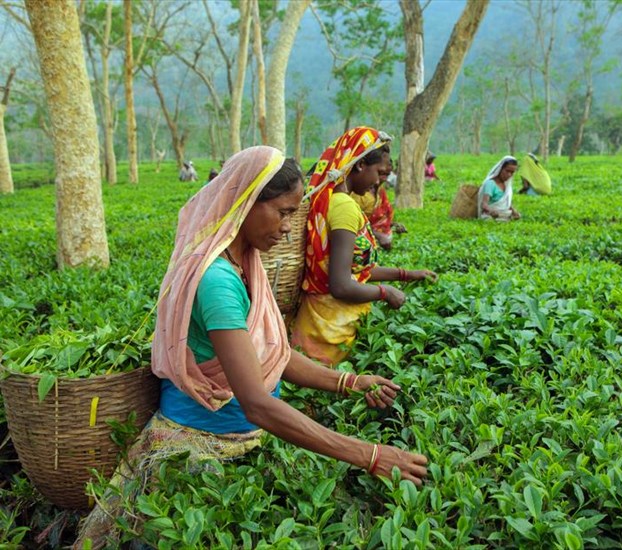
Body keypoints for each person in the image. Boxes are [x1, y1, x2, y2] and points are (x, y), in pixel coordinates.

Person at [75, 146, 428, 546]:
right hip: (202, 445)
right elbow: (256, 403)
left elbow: (271, 355)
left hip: (248, 436)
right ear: (246, 202)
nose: (288, 227)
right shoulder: (217, 282)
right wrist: (371, 455)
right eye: (283, 212)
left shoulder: (245, 263)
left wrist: (349, 382)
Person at [292, 127, 437, 366]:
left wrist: (406, 275)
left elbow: (355, 270)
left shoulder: (335, 201)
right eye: (378, 172)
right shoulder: (344, 207)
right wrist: (385, 292)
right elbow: (341, 285)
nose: (379, 180)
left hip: (326, 324)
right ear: (360, 165)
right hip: (329, 334)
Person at [350, 150, 407, 251]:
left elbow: (382, 217)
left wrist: (393, 225)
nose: (383, 179)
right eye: (381, 173)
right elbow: (355, 226)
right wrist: (378, 235)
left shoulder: (380, 191)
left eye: (387, 175)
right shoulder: (358, 195)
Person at [478, 156, 521, 221]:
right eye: (507, 171)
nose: (509, 175)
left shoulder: (507, 185)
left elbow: (507, 203)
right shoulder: (490, 183)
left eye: (512, 172)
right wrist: (491, 211)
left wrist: (514, 211)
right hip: (490, 215)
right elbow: (484, 204)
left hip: (503, 214)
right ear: (500, 169)